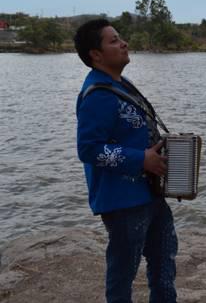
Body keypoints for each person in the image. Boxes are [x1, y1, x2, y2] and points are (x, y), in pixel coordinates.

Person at [74, 18, 177, 303]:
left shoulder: (121, 83)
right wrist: (140, 159)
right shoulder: (96, 95)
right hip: (122, 202)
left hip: (150, 193)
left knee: (164, 262)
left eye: (120, 38)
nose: (124, 43)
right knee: (123, 274)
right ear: (96, 54)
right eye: (114, 41)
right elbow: (88, 149)